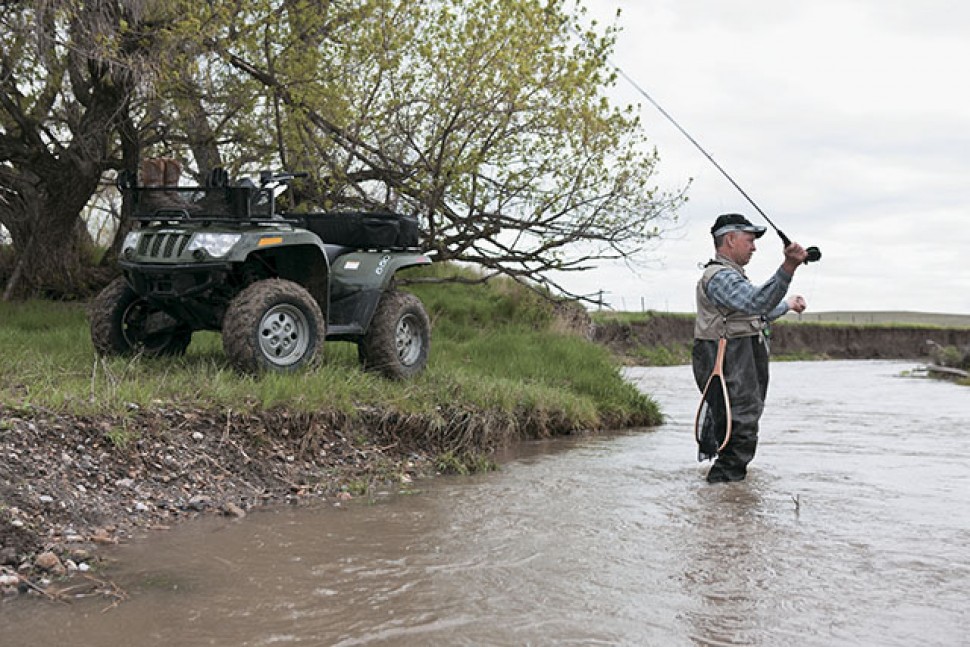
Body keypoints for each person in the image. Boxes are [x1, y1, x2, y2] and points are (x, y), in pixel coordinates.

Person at [692, 213, 808, 483]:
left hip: (738, 356)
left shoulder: (732, 278)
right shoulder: (719, 277)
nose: (754, 247)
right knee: (740, 427)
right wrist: (788, 266)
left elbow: (756, 311)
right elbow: (756, 303)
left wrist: (787, 305)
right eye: (750, 240)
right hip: (726, 357)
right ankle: (724, 497)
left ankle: (719, 502)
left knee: (738, 426)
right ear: (730, 240)